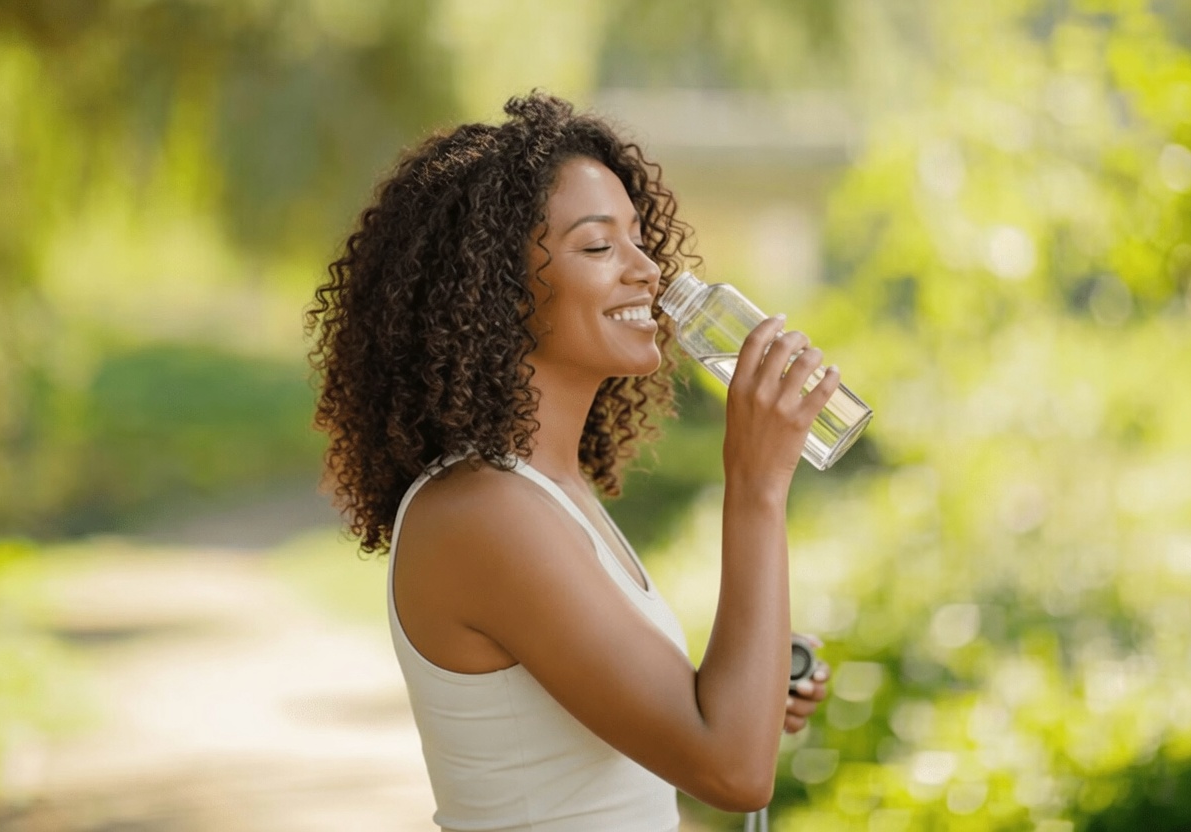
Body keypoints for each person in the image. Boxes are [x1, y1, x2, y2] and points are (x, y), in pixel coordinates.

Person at [307, 91, 835, 831]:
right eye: (598, 246)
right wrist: (755, 483)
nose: (648, 270)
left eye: (641, 238)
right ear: (493, 292)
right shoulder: (482, 512)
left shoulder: (548, 491)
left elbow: (667, 731)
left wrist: (755, 678)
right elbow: (733, 771)